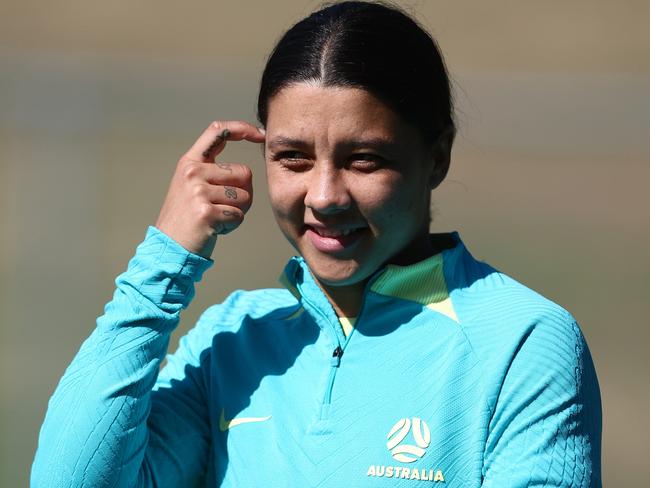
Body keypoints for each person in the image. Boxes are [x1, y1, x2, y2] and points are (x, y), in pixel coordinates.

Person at [31, 1, 602, 486]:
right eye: (293, 158)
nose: (324, 195)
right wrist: (165, 260)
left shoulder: (523, 342)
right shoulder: (233, 339)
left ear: (437, 157)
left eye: (365, 159)